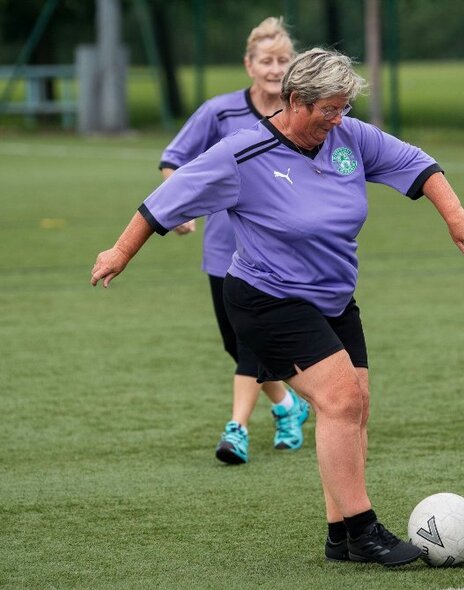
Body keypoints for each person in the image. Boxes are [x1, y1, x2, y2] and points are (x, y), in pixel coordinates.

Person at [92, 47, 464, 566]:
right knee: (340, 400)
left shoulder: (349, 136)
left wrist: (455, 215)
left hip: (334, 299)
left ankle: (340, 535)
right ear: (295, 99)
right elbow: (163, 201)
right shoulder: (241, 153)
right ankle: (366, 532)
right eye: (329, 109)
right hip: (267, 299)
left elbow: (416, 163)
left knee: (355, 407)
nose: (338, 119)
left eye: (343, 108)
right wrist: (120, 251)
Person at [159, 17, 310, 465]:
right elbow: (174, 162)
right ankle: (288, 406)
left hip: (274, 255)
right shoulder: (219, 112)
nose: (275, 68)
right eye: (267, 60)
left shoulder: (297, 115)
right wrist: (178, 210)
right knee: (236, 344)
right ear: (249, 65)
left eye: (284, 60)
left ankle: (237, 430)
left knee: (250, 345)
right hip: (222, 252)